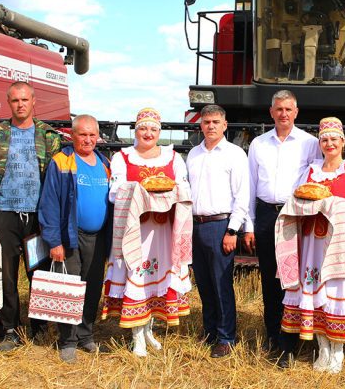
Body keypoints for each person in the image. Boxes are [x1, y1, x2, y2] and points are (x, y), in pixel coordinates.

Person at [0, 82, 63, 352]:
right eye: (15, 101)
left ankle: (39, 326)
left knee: (39, 272)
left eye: (24, 100)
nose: (20, 104)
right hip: (4, 213)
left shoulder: (49, 136)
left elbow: (56, 182)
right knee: (5, 275)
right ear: (8, 103)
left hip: (37, 217)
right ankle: (10, 328)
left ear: (34, 101)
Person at [277, 117, 345, 373]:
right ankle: (323, 349)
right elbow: (298, 200)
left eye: (334, 139)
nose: (329, 144)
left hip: (337, 244)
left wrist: (330, 204)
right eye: (324, 140)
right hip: (311, 244)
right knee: (314, 292)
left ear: (343, 141)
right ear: (320, 143)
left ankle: (337, 353)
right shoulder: (311, 172)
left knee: (336, 294)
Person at [103, 107, 193, 357]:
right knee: (138, 279)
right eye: (143, 128)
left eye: (153, 129)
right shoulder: (123, 157)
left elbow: (184, 189)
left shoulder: (173, 158)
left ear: (159, 131)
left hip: (163, 231)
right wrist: (141, 191)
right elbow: (114, 192)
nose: (148, 133)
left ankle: (149, 330)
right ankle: (136, 337)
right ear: (136, 130)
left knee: (157, 282)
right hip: (136, 231)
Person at [246, 90, 321, 366]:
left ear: (296, 112)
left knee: (292, 279)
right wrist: (248, 225)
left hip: (295, 216)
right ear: (271, 112)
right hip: (266, 214)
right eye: (279, 109)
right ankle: (272, 336)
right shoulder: (258, 144)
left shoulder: (310, 143)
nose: (284, 114)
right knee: (269, 279)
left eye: (288, 109)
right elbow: (250, 187)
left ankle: (292, 340)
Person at [38, 114, 113, 363]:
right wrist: (54, 241)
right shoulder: (61, 162)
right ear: (72, 135)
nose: (88, 139)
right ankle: (67, 341)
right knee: (69, 288)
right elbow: (49, 204)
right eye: (83, 134)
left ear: (98, 136)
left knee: (91, 288)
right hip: (70, 236)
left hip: (98, 237)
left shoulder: (105, 164)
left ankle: (86, 335)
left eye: (93, 134)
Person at [185, 104, 250, 358]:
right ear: (200, 125)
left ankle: (226, 336)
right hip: (196, 224)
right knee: (203, 282)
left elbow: (242, 196)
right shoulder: (193, 154)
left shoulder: (234, 154)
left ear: (225, 125)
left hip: (220, 225)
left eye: (215, 122)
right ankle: (210, 330)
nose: (210, 126)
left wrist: (233, 230)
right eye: (206, 122)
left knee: (221, 282)